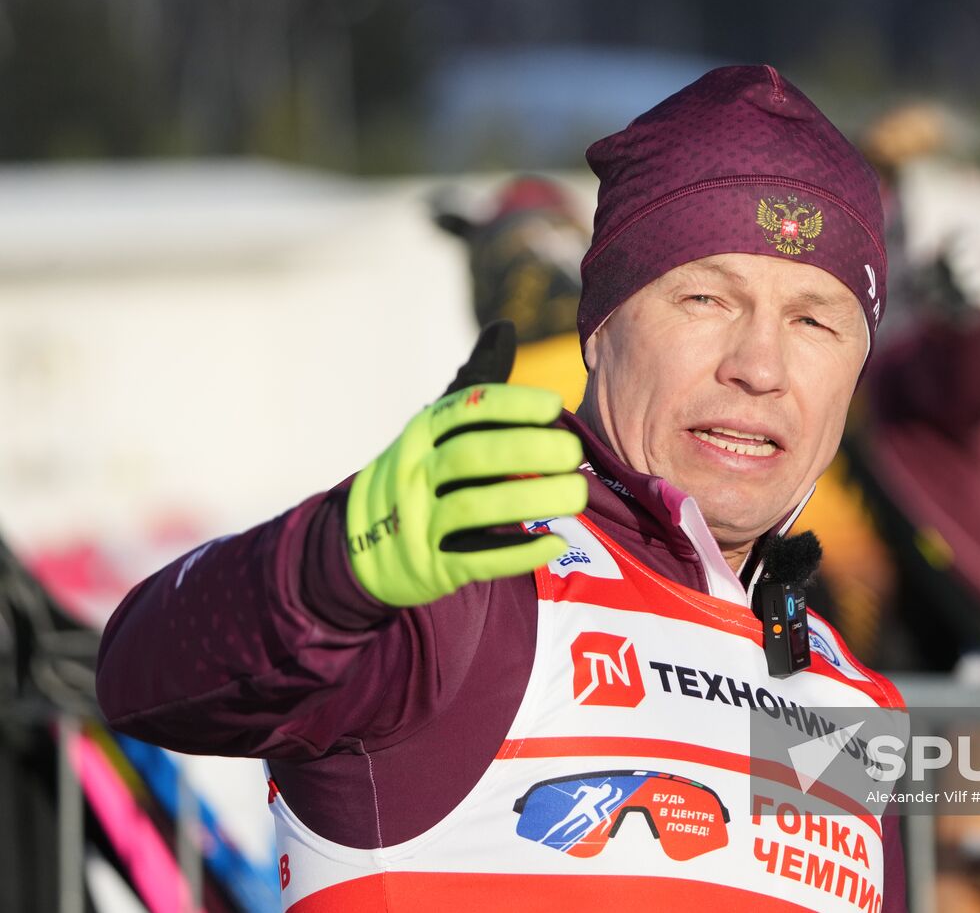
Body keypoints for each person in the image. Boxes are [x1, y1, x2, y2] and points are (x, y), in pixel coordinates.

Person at [96, 66, 908, 912]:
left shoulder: (845, 696)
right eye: (706, 297)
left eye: (814, 319)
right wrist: (332, 567)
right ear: (600, 325)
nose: (760, 367)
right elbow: (145, 680)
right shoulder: (476, 577)